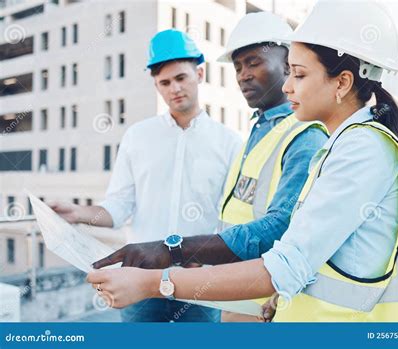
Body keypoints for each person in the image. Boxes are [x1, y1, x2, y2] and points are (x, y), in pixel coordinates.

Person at [88, 0, 398, 322]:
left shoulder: (360, 150)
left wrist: (157, 277)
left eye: (298, 74)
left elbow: (284, 262)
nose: (289, 87)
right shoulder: (343, 144)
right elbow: (317, 253)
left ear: (342, 82)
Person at [91, 12, 329, 322]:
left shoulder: (299, 134)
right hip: (228, 292)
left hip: (245, 296)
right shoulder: (258, 133)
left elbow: (280, 228)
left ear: (288, 63)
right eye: (238, 66)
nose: (243, 75)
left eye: (254, 62)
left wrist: (177, 250)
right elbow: (232, 216)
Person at [51, 29, 242, 322]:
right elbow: (117, 208)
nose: (174, 88)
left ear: (200, 74)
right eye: (164, 82)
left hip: (199, 286)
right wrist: (78, 212)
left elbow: (232, 219)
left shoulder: (229, 143)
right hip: (139, 281)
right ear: (156, 85)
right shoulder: (137, 137)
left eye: (181, 78)